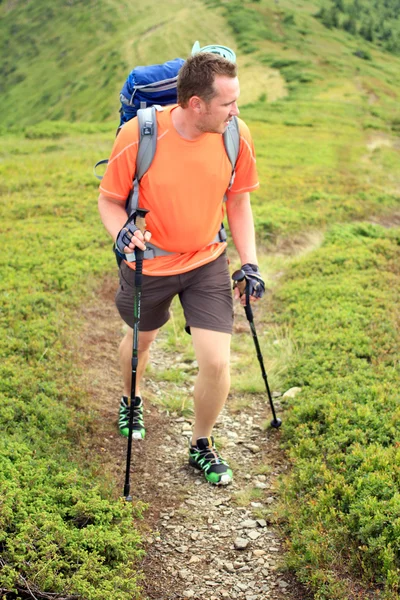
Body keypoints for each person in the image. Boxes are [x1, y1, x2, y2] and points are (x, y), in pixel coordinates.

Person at [98, 51, 265, 486]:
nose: (236, 111)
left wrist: (249, 263)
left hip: (206, 261)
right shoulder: (140, 134)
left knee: (216, 362)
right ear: (195, 103)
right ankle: (131, 399)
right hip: (148, 263)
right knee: (142, 339)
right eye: (227, 103)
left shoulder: (235, 134)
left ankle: (202, 444)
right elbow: (110, 200)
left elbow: (239, 200)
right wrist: (120, 234)